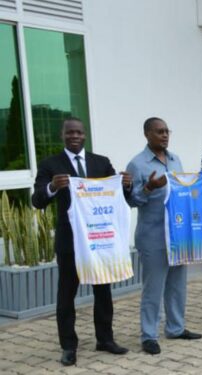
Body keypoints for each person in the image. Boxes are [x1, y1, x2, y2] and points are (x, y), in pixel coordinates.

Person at [31, 118, 131, 366]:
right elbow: (37, 200)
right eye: (69, 132)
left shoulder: (101, 162)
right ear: (62, 135)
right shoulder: (50, 164)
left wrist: (126, 185)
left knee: (103, 292)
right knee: (66, 295)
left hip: (100, 241)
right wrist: (53, 187)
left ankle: (105, 339)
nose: (74, 136)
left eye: (78, 132)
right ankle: (68, 346)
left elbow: (118, 195)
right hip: (70, 243)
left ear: (85, 135)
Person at [126, 117, 202, 355]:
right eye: (159, 132)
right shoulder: (137, 164)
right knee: (153, 288)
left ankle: (176, 328)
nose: (165, 135)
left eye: (167, 131)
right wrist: (149, 187)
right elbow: (132, 200)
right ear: (147, 134)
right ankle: (149, 335)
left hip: (178, 234)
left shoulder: (175, 159)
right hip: (153, 236)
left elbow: (182, 190)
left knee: (177, 285)